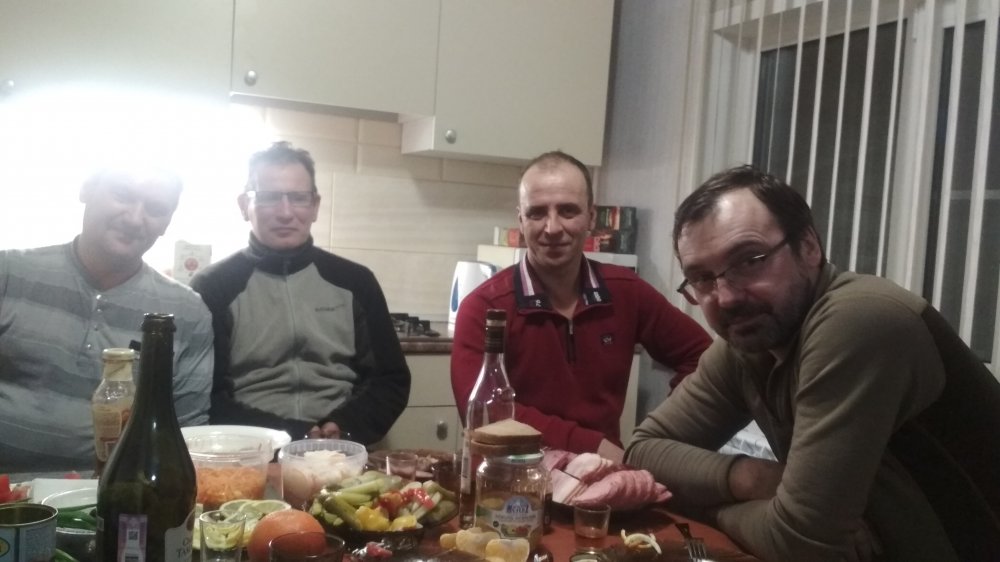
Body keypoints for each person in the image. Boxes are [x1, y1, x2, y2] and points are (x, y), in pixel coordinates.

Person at [626, 165, 1000, 561]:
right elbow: (642, 451)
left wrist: (703, 508)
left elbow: (801, 544)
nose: (727, 297)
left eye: (750, 260)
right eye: (702, 278)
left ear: (808, 247)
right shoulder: (749, 343)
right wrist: (748, 477)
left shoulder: (857, 321)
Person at [451, 151, 712, 462]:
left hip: (601, 477)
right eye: (537, 213)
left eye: (568, 211)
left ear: (591, 217)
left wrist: (663, 433)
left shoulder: (626, 292)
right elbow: (484, 413)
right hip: (508, 478)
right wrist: (593, 445)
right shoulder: (485, 308)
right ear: (520, 220)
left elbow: (704, 359)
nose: (552, 227)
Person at [190, 141, 410, 445]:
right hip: (251, 450)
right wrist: (292, 435)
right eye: (269, 198)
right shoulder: (213, 286)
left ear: (315, 206)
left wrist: (342, 427)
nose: (285, 212)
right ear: (244, 206)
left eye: (298, 198)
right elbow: (205, 395)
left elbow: (390, 380)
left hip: (344, 446)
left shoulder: (356, 281)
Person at [0, 166, 213, 472]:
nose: (134, 219)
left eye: (155, 209)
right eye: (122, 195)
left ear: (167, 222)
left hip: (120, 493)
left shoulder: (187, 312)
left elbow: (189, 432)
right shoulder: (8, 273)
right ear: (86, 189)